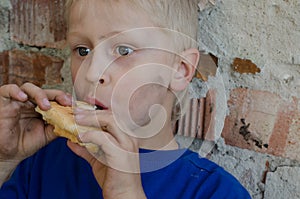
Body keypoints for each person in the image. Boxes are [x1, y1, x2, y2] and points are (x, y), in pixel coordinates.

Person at [0, 0, 251, 198]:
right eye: (82, 50)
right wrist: (6, 159)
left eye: (124, 51)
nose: (92, 72)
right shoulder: (42, 165)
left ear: (180, 69)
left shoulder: (216, 192)